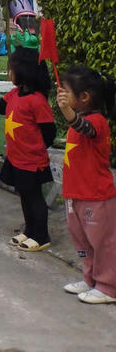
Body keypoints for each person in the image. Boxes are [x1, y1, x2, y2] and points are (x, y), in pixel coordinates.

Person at [0, 48, 55, 251]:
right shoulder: (15, 94)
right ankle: (29, 230)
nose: (9, 72)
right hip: (16, 157)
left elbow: (49, 131)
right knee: (24, 195)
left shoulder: (37, 100)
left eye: (12, 68)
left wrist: (36, 148)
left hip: (32, 160)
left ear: (25, 70)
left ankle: (41, 235)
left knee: (34, 197)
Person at [56, 65, 116, 303]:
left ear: (84, 97)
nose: (62, 94)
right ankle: (90, 278)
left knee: (102, 243)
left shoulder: (97, 122)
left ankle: (109, 286)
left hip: (96, 196)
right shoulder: (78, 120)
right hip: (76, 193)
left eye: (67, 92)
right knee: (82, 240)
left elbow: (85, 128)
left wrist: (68, 112)